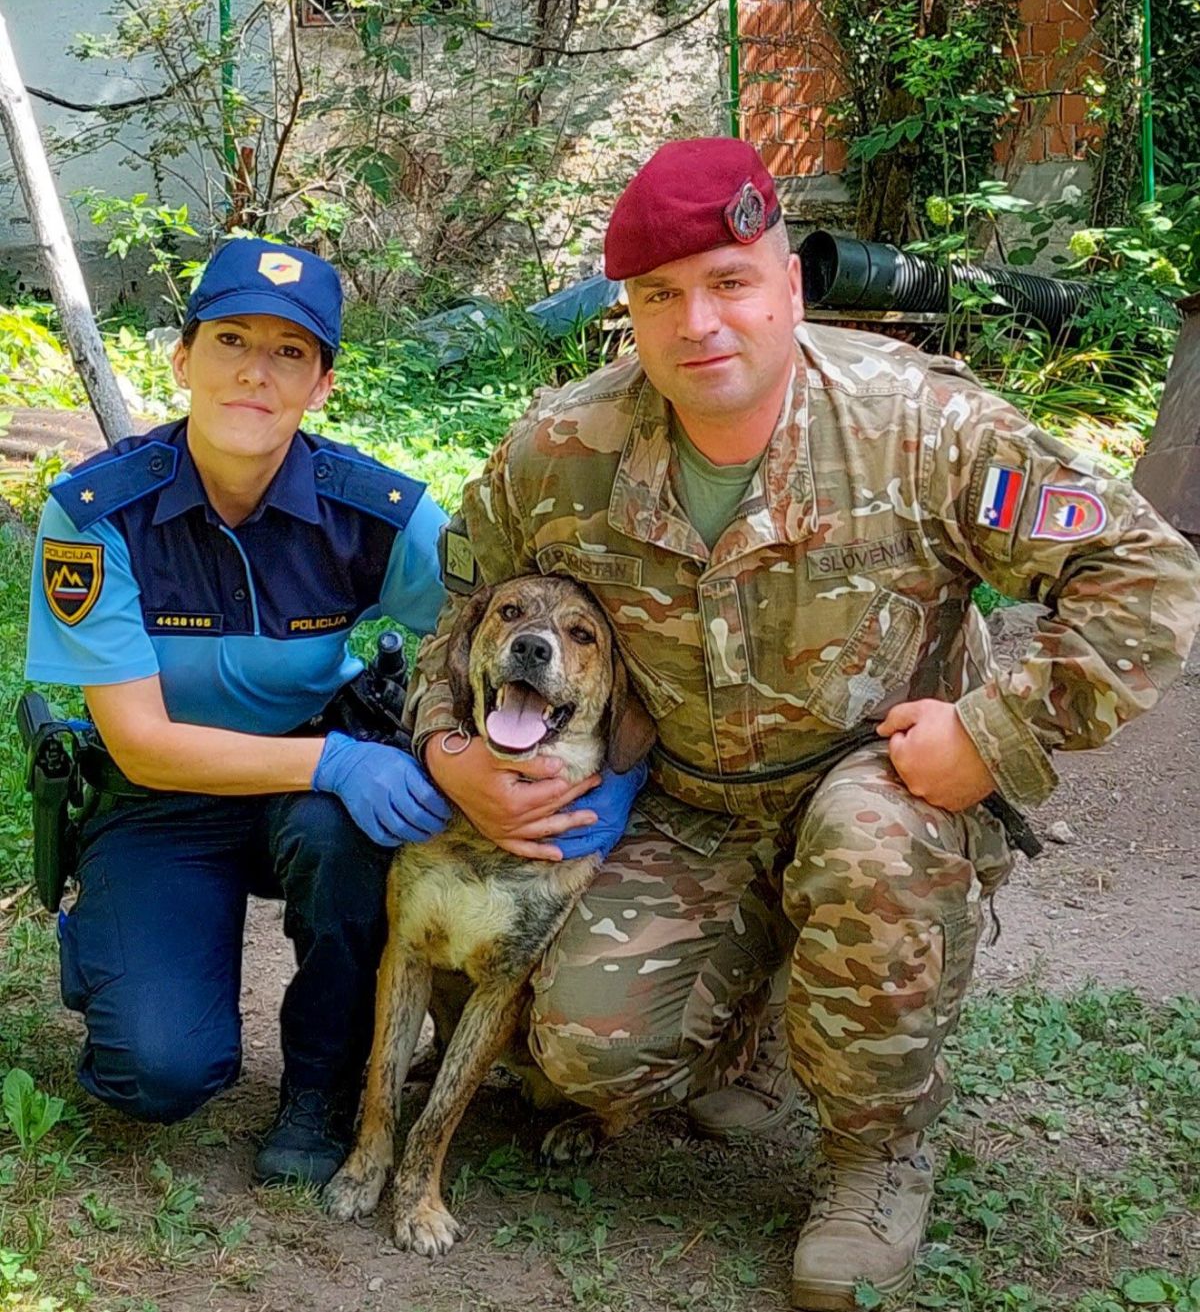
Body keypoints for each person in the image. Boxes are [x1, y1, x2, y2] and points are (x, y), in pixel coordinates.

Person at [404, 139, 1200, 1310]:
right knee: (583, 1051)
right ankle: (761, 1017)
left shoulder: (920, 424)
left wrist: (995, 733)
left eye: (729, 282)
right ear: (629, 312)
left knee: (866, 844)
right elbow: (461, 608)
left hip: (883, 789)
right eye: (661, 296)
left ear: (789, 283)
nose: (698, 323)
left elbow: (1145, 572)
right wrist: (449, 747)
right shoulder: (562, 449)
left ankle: (878, 1150)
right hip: (692, 804)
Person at [23, 238, 639, 1188]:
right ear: (182, 359)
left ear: (322, 385)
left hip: (310, 795)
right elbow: (141, 744)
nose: (256, 372)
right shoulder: (99, 513)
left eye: (290, 352)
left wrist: (462, 750)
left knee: (346, 834)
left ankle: (320, 1091)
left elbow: (493, 621)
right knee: (155, 1070)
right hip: (162, 797)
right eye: (230, 340)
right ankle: (113, 940)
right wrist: (339, 763)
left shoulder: (373, 512)